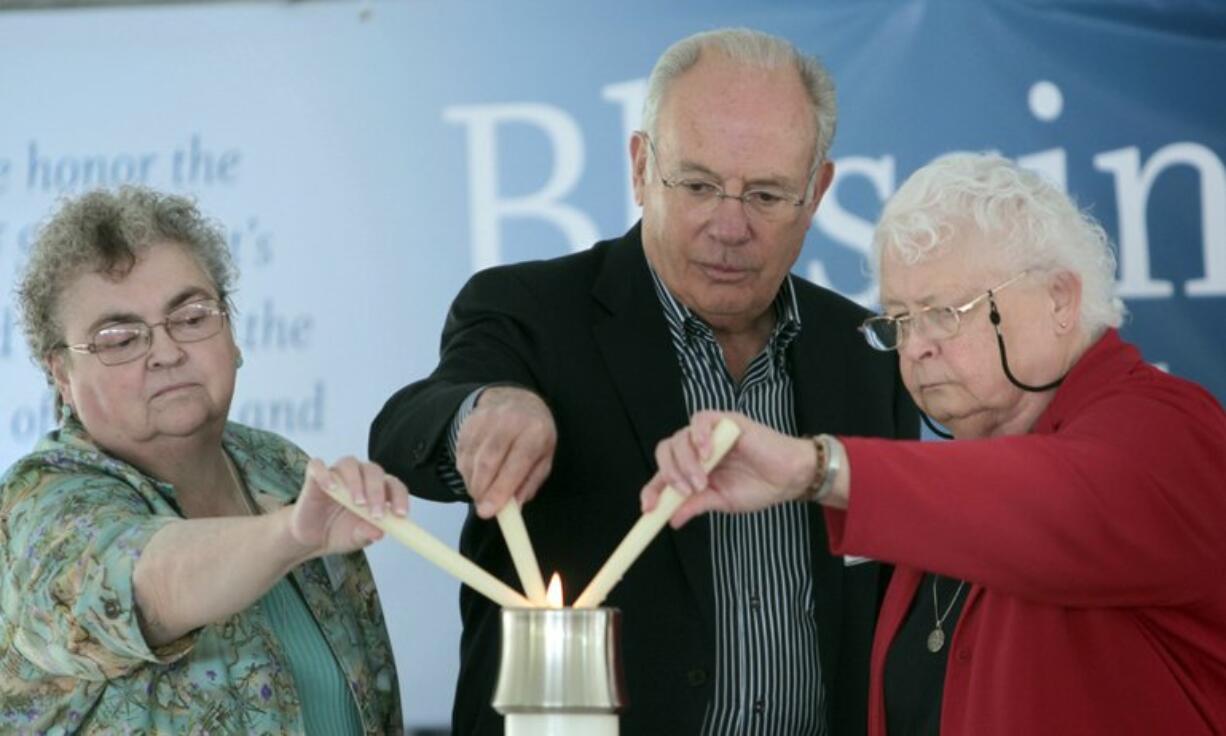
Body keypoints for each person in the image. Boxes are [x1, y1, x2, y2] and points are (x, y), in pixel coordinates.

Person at [370, 27, 917, 735]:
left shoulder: (869, 353)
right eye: (697, 184)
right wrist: (482, 415)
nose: (729, 225)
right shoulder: (530, 311)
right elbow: (405, 430)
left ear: (816, 193)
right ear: (639, 167)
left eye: (767, 194)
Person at [645, 152, 1226, 735]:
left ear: (1060, 299)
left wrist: (817, 468)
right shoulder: (960, 482)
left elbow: (1057, 497)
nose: (916, 347)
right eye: (899, 321)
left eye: (946, 313)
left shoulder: (1169, 427)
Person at [0, 187, 405, 734]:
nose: (166, 352)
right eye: (119, 339)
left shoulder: (280, 468)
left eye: (191, 317)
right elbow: (140, 584)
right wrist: (289, 536)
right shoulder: (41, 500)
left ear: (232, 334)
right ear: (62, 376)